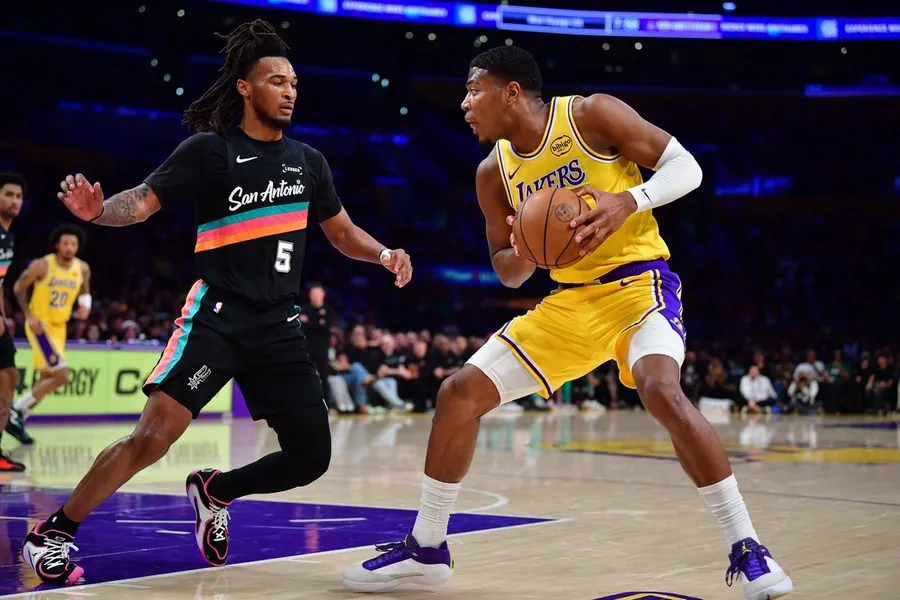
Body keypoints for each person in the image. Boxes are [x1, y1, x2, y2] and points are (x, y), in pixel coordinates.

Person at [343, 46, 792, 600]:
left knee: (660, 390)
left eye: (473, 90)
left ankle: (748, 547)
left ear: (511, 92)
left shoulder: (590, 115)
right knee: (457, 394)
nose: (463, 104)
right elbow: (507, 272)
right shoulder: (492, 173)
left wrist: (627, 201)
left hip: (638, 286)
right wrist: (528, 247)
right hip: (569, 303)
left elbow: (688, 168)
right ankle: (428, 547)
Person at [21, 20, 412, 586]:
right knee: (152, 439)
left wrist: (384, 255)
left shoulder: (309, 162)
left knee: (311, 458)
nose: (290, 91)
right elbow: (142, 201)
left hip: (278, 327)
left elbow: (343, 232)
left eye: (293, 83)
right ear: (245, 88)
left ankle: (215, 490)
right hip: (217, 320)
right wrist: (97, 212)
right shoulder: (210, 151)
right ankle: (53, 532)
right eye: (276, 81)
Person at [7, 224, 92, 445]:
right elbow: (18, 287)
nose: (69, 247)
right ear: (57, 245)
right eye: (65, 243)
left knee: (47, 380)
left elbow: (85, 290)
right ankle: (14, 410)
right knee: (62, 375)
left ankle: (18, 420)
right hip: (40, 326)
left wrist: (85, 306)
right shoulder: (43, 265)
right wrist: (28, 315)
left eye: (73, 244)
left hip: (60, 328)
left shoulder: (82, 268)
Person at [0, 172, 25, 472]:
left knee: (8, 375)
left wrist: (4, 317)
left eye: (18, 196)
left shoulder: (9, 236)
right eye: (8, 194)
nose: (14, 200)